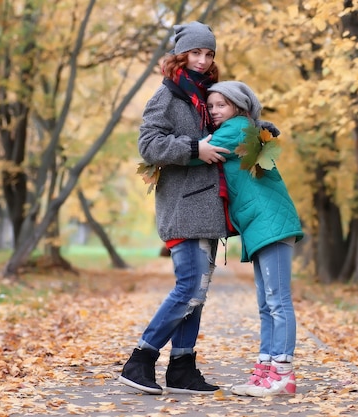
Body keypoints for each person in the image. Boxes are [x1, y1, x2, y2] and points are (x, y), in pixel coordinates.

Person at [118, 21, 231, 395]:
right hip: (183, 207)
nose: (203, 59)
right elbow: (149, 144)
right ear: (181, 55)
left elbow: (229, 124)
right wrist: (193, 148)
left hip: (208, 208)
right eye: (196, 52)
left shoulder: (206, 94)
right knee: (189, 288)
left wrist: (259, 127)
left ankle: (182, 368)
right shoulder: (167, 95)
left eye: (209, 53)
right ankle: (140, 360)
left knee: (197, 293)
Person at [204, 81, 304, 396]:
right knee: (266, 302)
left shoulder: (236, 128)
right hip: (260, 225)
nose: (215, 111)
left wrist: (195, 144)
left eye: (221, 104)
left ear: (237, 105)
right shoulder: (244, 128)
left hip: (270, 223)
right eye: (211, 106)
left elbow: (195, 156)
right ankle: (265, 370)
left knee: (277, 300)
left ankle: (283, 374)